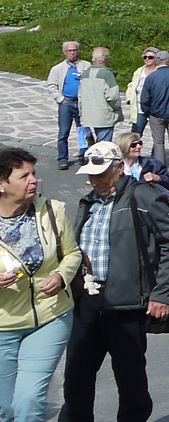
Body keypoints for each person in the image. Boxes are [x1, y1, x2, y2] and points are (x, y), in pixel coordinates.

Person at [64, 141, 169, 422]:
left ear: (119, 169)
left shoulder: (144, 196)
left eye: (101, 174)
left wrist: (162, 294)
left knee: (130, 381)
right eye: (91, 175)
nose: (95, 180)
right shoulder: (89, 202)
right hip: (88, 300)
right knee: (76, 377)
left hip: (127, 303)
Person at [0, 148, 81, 422]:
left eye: (34, 173)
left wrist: (60, 276)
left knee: (29, 403)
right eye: (24, 176)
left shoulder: (51, 210)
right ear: (2, 184)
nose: (33, 180)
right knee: (5, 409)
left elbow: (73, 254)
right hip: (2, 326)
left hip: (50, 317)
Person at [138, 52, 169, 178]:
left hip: (156, 115)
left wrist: (147, 111)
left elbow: (144, 98)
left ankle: (161, 171)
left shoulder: (151, 77)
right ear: (167, 61)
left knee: (158, 143)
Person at [45, 45, 83, 170]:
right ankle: (62, 158)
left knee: (84, 131)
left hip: (82, 103)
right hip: (67, 103)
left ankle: (84, 155)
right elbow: (51, 85)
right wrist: (60, 99)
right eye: (69, 50)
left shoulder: (86, 66)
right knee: (63, 132)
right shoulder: (58, 68)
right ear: (65, 52)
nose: (72, 53)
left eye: (74, 50)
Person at [75, 49, 121, 148]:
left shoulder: (85, 74)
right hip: (104, 115)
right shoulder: (107, 74)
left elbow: (80, 95)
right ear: (106, 59)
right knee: (104, 145)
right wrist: (116, 108)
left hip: (89, 113)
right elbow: (113, 96)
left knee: (97, 143)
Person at [124, 52, 159, 141]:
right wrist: (130, 97)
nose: (147, 59)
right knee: (135, 134)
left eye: (150, 57)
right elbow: (131, 85)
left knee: (157, 134)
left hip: (155, 108)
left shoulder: (159, 72)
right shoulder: (139, 71)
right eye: (145, 57)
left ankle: (156, 154)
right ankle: (133, 153)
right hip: (139, 107)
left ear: (156, 59)